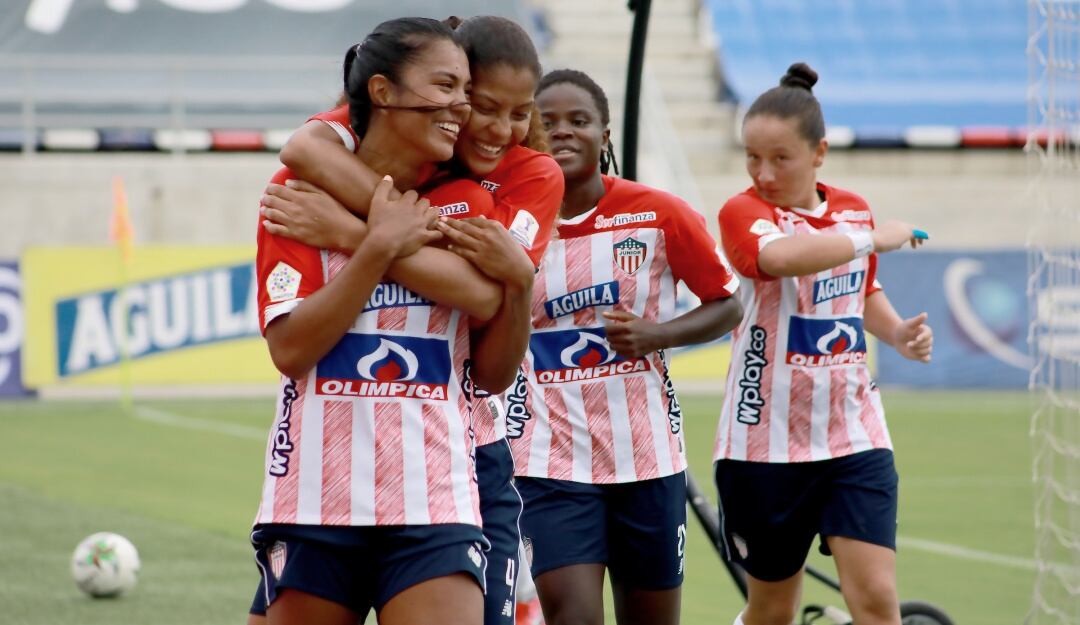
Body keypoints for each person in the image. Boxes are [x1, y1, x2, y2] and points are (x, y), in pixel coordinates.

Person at [252, 15, 561, 625]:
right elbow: (290, 351)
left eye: (464, 91)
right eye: (447, 88)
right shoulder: (297, 189)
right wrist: (375, 249)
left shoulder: (472, 201)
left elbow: (486, 316)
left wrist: (363, 236)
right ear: (383, 93)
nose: (463, 109)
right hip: (315, 496)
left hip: (435, 495)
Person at [511, 68, 743, 625]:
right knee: (573, 617)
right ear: (527, 138)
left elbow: (728, 303)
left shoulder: (658, 213)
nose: (563, 132)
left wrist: (660, 335)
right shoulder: (511, 223)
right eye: (548, 123)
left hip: (648, 460)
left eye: (580, 120)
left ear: (605, 136)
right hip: (548, 461)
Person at [713, 62, 933, 625]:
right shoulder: (744, 212)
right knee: (772, 612)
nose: (763, 172)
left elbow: (861, 292)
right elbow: (779, 258)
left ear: (819, 154)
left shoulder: (852, 208)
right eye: (752, 157)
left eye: (780, 158)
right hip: (763, 448)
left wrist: (901, 334)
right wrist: (869, 237)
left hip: (854, 437)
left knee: (878, 600)